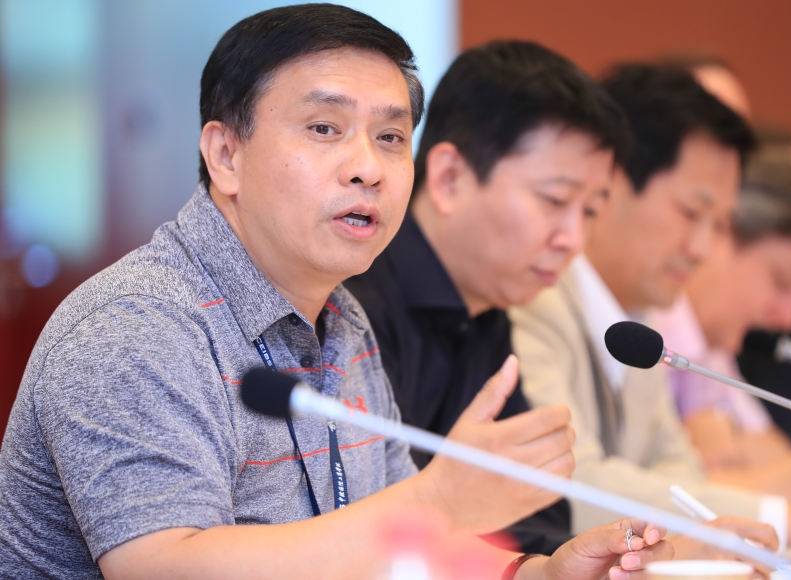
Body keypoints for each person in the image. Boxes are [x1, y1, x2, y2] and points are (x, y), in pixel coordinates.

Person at [0, 6, 680, 579]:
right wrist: (437, 502)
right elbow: (163, 566)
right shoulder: (135, 324)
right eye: (324, 128)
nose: (367, 168)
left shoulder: (341, 317)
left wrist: (537, 573)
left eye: (390, 137)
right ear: (226, 155)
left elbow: (396, 548)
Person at [510, 62, 791, 555]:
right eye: (691, 213)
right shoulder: (532, 299)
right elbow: (573, 485)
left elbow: (679, 471)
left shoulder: (641, 318)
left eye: (717, 225)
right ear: (609, 183)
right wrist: (784, 523)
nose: (701, 248)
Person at [344, 39, 626, 554]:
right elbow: (367, 532)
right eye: (555, 199)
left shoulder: (489, 310)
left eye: (589, 212)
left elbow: (535, 514)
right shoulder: (349, 307)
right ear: (449, 178)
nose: (573, 239)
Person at [654, 133, 791, 506]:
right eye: (783, 282)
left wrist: (736, 463)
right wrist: (753, 482)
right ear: (721, 232)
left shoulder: (711, 346)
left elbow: (780, 455)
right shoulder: (650, 328)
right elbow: (634, 488)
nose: (788, 319)